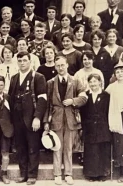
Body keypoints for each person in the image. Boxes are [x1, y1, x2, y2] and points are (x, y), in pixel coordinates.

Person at [44, 56, 87, 185]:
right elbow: (47, 105)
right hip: (56, 118)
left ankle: (68, 174)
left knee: (68, 148)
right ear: (55, 67)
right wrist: (46, 121)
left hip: (71, 118)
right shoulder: (51, 82)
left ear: (67, 65)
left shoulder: (75, 81)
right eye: (58, 66)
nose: (60, 68)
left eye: (62, 65)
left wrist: (73, 101)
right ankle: (57, 174)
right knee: (57, 147)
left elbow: (84, 97)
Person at [8, 51, 48, 185]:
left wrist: (37, 117)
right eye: (19, 61)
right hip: (17, 118)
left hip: (31, 119)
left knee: (32, 147)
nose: (22, 63)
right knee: (21, 147)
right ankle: (23, 173)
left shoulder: (38, 77)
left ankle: (32, 175)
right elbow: (11, 98)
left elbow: (42, 99)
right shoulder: (14, 78)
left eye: (25, 60)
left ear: (30, 62)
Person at [80, 73, 111, 181]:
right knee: (91, 150)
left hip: (103, 125)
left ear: (100, 82)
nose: (93, 84)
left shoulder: (106, 95)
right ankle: (91, 174)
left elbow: (108, 111)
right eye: (91, 82)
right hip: (89, 126)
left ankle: (103, 173)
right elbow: (82, 112)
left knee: (102, 149)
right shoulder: (85, 96)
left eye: (95, 81)